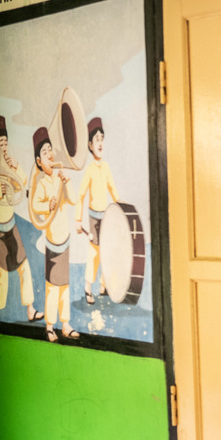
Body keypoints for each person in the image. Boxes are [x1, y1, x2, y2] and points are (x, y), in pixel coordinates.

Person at [0, 115, 42, 326]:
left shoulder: (9, 166)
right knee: (3, 277)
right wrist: (5, 183)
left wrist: (16, 166)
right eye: (1, 144)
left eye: (6, 143)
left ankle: (30, 309)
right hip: (1, 232)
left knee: (24, 266)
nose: (4, 147)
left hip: (13, 227)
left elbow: (24, 182)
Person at [29, 127, 82, 342]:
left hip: (65, 241)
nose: (50, 154)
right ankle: (50, 325)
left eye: (50, 149)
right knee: (52, 287)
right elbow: (34, 205)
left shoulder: (59, 179)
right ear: (39, 161)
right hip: (52, 242)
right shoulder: (41, 183)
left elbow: (73, 200)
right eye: (44, 152)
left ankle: (65, 324)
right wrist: (47, 206)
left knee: (65, 286)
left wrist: (67, 181)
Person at [78, 117, 122, 304]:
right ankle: (88, 288)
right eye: (96, 139)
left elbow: (112, 188)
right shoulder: (89, 169)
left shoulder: (106, 167)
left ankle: (104, 286)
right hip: (94, 218)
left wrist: (120, 205)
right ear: (90, 144)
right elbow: (80, 196)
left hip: (107, 217)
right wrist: (77, 220)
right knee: (94, 253)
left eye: (102, 138)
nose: (100, 143)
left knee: (108, 251)